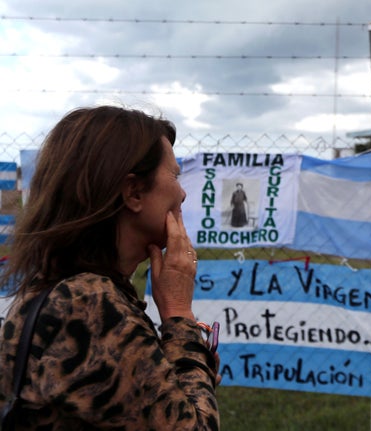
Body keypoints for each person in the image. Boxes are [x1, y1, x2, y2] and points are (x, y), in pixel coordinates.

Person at [0, 106, 220, 430]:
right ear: (132, 192)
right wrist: (177, 314)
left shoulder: (64, 289)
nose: (183, 193)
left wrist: (184, 367)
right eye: (174, 175)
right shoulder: (88, 305)